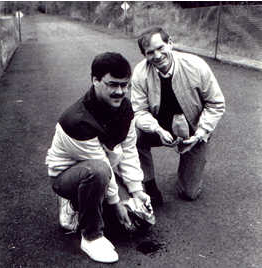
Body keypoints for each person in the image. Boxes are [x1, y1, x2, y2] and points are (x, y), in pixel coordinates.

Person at [45, 52, 151, 264]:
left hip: (102, 165)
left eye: (125, 85)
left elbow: (129, 149)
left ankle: (80, 204)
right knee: (99, 175)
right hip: (67, 176)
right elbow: (101, 165)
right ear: (95, 80)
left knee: (140, 213)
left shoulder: (125, 107)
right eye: (112, 84)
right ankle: (90, 236)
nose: (120, 91)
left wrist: (137, 190)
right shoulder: (75, 120)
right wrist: (117, 202)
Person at [131, 27, 225, 206]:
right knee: (134, 133)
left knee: (189, 193)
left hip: (194, 130)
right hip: (159, 128)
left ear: (170, 43)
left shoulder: (196, 65)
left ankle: (189, 164)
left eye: (160, 48)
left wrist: (201, 133)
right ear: (144, 55)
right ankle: (148, 183)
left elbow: (216, 103)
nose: (157, 56)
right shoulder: (140, 73)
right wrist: (157, 129)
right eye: (150, 52)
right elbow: (139, 111)